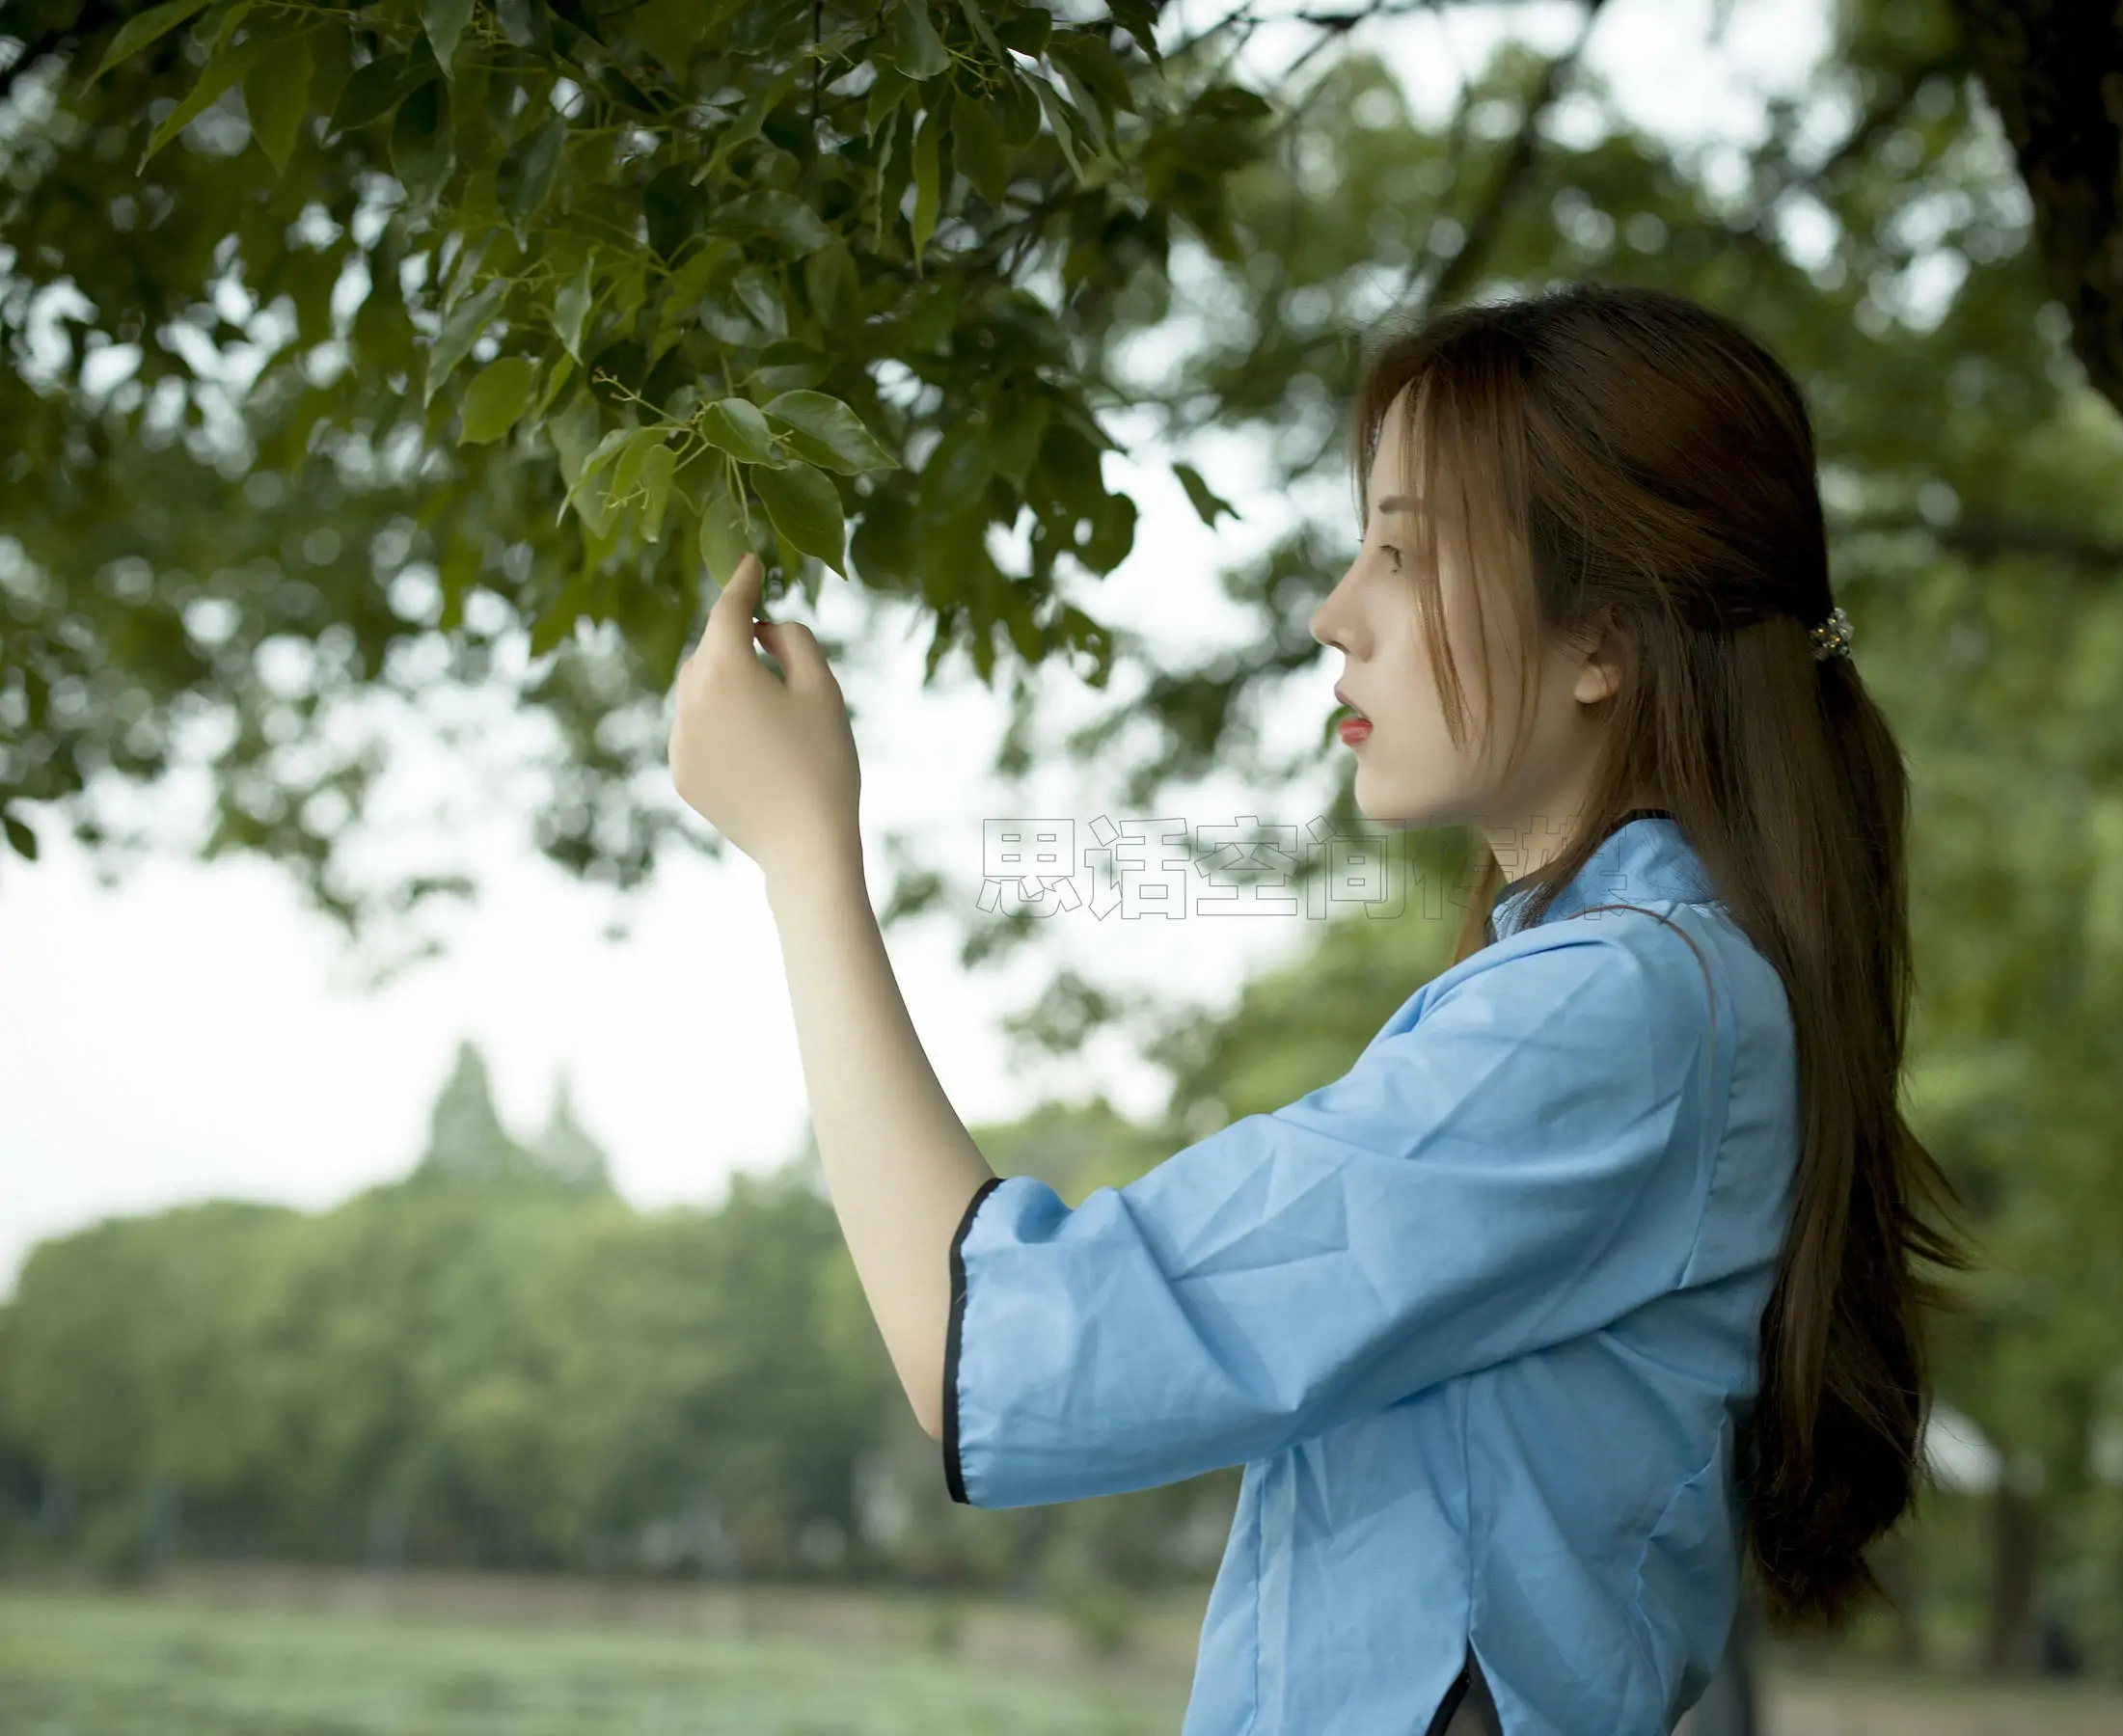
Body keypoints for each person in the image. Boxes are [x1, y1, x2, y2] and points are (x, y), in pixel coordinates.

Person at [668, 281, 1964, 1736]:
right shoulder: (1634, 994)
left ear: (1603, 640)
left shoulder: (1618, 1013)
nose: (1331, 613)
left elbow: (1005, 1350)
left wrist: (801, 850)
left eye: (1404, 554)